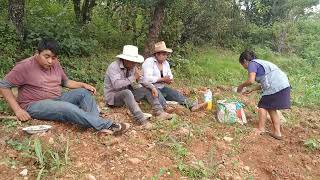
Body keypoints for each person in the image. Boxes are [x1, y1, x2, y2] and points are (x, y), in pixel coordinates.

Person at [0, 38, 129, 135]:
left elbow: (65, 82)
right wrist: (18, 110)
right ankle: (109, 125)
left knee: (83, 93)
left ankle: (94, 122)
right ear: (37, 53)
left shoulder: (55, 63)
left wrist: (83, 85)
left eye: (54, 57)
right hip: (34, 104)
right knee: (67, 107)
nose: (50, 61)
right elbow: (4, 85)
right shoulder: (25, 66)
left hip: (56, 99)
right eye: (47, 57)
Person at [104, 45, 174, 129]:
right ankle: (142, 121)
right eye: (132, 61)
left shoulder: (132, 67)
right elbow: (116, 85)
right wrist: (133, 78)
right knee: (127, 92)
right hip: (113, 97)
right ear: (125, 60)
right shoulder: (114, 67)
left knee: (146, 89)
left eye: (135, 61)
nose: (134, 64)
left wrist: (152, 87)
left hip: (127, 94)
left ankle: (159, 112)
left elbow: (142, 80)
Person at [237, 49, 291, 140]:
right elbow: (265, 82)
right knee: (271, 108)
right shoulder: (261, 63)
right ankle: (277, 133)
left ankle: (261, 129)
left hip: (276, 86)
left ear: (245, 61)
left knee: (262, 106)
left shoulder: (252, 63)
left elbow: (251, 80)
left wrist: (241, 86)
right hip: (283, 85)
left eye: (242, 64)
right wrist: (252, 90)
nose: (244, 67)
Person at [142, 41, 206, 112]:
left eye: (166, 54)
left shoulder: (166, 63)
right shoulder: (149, 62)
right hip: (150, 88)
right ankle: (165, 108)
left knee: (175, 94)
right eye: (163, 54)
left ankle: (192, 105)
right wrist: (162, 79)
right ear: (157, 54)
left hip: (161, 87)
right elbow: (147, 79)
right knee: (157, 93)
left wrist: (169, 80)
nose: (165, 56)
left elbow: (170, 75)